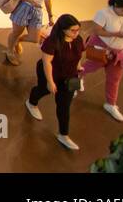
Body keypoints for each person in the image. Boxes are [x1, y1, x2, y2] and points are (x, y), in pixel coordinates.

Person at [25, 13, 85, 151]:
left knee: (65, 106)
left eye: (78, 30)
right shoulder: (52, 42)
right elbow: (47, 62)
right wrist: (50, 81)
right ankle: (31, 103)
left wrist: (78, 66)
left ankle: (64, 134)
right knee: (43, 89)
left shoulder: (78, 40)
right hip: (52, 73)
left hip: (71, 76)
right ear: (63, 29)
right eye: (73, 30)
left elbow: (78, 55)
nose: (76, 33)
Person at [80, 0, 123, 122]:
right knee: (87, 68)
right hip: (102, 48)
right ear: (115, 6)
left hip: (120, 52)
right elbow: (97, 31)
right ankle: (76, 80)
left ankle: (111, 104)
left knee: (115, 79)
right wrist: (117, 34)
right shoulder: (103, 13)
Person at [3, 0, 54, 66]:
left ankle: (17, 41)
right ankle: (9, 51)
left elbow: (47, 0)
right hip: (23, 8)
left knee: (35, 38)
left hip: (37, 12)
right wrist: (29, 0)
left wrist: (50, 15)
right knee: (16, 32)